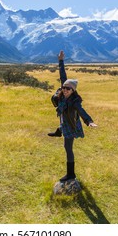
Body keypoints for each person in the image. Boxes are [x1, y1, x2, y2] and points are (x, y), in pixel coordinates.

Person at [48, 50, 97, 182]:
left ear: (73, 90)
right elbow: (63, 75)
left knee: (68, 148)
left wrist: (89, 121)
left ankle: (71, 174)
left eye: (68, 89)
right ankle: (59, 132)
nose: (64, 90)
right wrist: (61, 61)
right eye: (64, 87)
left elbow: (82, 111)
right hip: (65, 121)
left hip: (71, 124)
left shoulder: (75, 102)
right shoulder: (63, 95)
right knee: (62, 123)